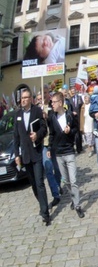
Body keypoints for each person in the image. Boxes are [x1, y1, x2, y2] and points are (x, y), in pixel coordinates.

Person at [13, 88, 51, 225]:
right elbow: (16, 136)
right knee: (34, 185)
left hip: (36, 153)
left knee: (40, 183)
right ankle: (42, 203)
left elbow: (44, 128)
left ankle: (45, 213)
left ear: (30, 99)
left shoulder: (37, 111)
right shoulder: (17, 114)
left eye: (25, 97)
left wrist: (37, 135)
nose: (23, 100)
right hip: (25, 156)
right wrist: (17, 155)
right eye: (21, 98)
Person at [47, 92, 84, 219]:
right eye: (51, 102)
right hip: (58, 153)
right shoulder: (52, 118)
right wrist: (49, 147)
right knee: (67, 181)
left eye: (54, 102)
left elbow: (76, 130)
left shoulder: (69, 115)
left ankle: (78, 205)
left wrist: (70, 131)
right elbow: (51, 134)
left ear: (60, 103)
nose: (52, 104)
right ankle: (73, 199)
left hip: (69, 152)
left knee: (73, 180)